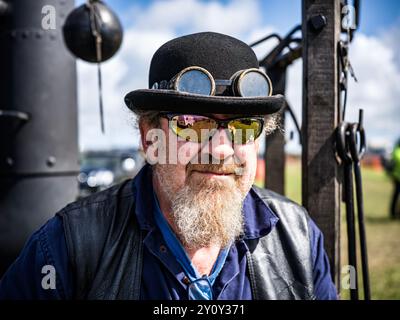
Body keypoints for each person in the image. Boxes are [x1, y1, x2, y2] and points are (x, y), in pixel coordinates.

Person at [0, 32, 337, 300]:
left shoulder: (299, 239)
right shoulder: (68, 246)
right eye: (191, 123)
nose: (220, 150)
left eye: (243, 125)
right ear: (149, 138)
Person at [389, 139, 400, 219]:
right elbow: (397, 158)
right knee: (396, 195)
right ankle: (393, 212)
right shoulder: (397, 150)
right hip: (397, 177)